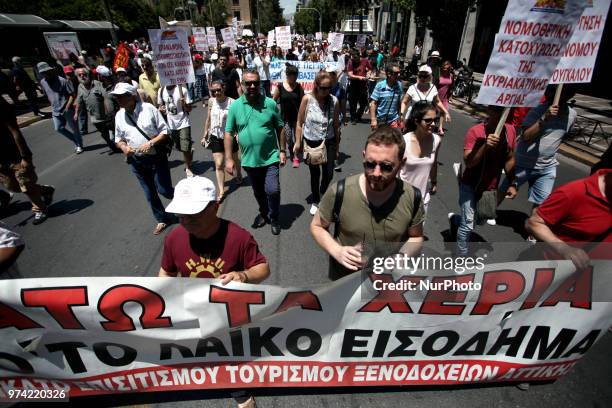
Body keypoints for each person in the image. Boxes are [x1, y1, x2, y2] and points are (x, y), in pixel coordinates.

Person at [159, 176, 267, 408]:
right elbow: (166, 272)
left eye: (193, 215)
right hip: (193, 314)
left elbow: (262, 268)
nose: (185, 221)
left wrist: (244, 276)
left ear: (215, 207)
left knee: (231, 353)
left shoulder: (238, 237)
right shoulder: (173, 239)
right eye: (180, 215)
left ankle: (239, 389)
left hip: (229, 317)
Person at [310, 126, 425, 280]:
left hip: (386, 283)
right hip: (343, 284)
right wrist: (337, 250)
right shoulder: (340, 191)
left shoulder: (413, 197)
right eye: (370, 164)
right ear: (364, 157)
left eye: (386, 167)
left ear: (402, 163)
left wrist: (402, 257)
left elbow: (416, 237)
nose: (376, 173)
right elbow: (317, 226)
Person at [500, 85, 578, 235]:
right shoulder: (537, 110)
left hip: (547, 165)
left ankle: (533, 231)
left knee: (541, 201)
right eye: (551, 92)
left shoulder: (572, 115)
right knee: (504, 190)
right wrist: (544, 119)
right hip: (524, 163)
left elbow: (564, 135)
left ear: (569, 95)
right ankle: (485, 214)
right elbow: (526, 136)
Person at [224, 69, 286, 235]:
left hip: (270, 157)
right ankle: (264, 213)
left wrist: (282, 151)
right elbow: (229, 133)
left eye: (256, 83)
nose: (252, 86)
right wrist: (229, 158)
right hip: (249, 161)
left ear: (260, 84)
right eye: (248, 83)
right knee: (258, 192)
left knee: (272, 190)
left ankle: (274, 217)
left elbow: (280, 128)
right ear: (242, 85)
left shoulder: (270, 104)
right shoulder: (235, 107)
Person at [449, 106, 517, 256]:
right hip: (470, 185)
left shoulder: (511, 131)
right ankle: (461, 256)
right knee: (468, 225)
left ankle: (455, 219)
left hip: (489, 189)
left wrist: (513, 182)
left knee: (478, 220)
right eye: (497, 110)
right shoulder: (476, 132)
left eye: (506, 111)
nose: (501, 114)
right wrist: (485, 146)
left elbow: (510, 158)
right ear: (489, 111)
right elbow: (469, 162)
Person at [112, 83, 174, 235]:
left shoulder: (148, 109)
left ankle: (186, 202)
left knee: (164, 190)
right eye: (116, 96)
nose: (118, 99)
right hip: (136, 161)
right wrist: (124, 148)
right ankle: (161, 218)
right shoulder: (119, 115)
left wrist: (151, 142)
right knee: (149, 193)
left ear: (132, 96)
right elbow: (118, 139)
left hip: (156, 157)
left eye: (122, 96)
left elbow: (165, 131)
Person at [525, 169, 611, 268]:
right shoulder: (574, 192)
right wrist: (564, 248)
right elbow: (533, 223)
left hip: (598, 272)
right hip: (552, 269)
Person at [0, 98, 55, 225]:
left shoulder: (2, 106)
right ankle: (45, 190)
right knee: (12, 187)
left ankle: (40, 209)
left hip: (14, 156)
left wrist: (25, 156)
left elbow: (15, 131)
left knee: (26, 185)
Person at [295, 72, 340, 216]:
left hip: (329, 141)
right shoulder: (307, 99)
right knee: (315, 174)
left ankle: (322, 191)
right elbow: (299, 123)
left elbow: (336, 126)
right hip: (312, 142)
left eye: (329, 88)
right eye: (323, 88)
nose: (326, 91)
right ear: (316, 86)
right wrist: (297, 142)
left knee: (329, 173)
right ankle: (315, 200)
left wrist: (337, 147)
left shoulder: (334, 101)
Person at [399, 101, 441, 214]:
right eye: (428, 120)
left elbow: (434, 163)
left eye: (435, 120)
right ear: (416, 121)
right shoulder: (404, 141)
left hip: (423, 199)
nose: (433, 124)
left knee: (417, 232)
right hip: (401, 198)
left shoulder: (436, 140)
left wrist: (434, 182)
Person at [203, 80, 242, 200]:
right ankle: (221, 191)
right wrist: (205, 134)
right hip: (215, 136)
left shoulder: (232, 102)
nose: (216, 93)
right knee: (219, 164)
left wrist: (238, 133)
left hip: (229, 136)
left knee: (235, 159)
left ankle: (239, 174)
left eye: (218, 90)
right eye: (213, 91)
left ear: (223, 88)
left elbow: (238, 120)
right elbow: (208, 118)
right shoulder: (211, 101)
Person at [37, 62, 83, 154]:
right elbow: (47, 94)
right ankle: (75, 140)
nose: (46, 74)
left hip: (67, 109)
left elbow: (72, 95)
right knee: (58, 128)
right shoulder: (43, 82)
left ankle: (79, 145)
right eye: (43, 73)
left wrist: (67, 106)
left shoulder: (62, 80)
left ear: (51, 70)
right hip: (55, 110)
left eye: (47, 71)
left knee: (75, 129)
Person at [75, 68, 121, 154]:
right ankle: (113, 148)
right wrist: (76, 113)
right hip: (94, 117)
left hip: (105, 115)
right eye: (80, 75)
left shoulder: (97, 84)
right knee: (104, 134)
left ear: (88, 75)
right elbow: (79, 100)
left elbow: (106, 97)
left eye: (84, 74)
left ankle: (124, 146)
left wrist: (110, 111)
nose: (82, 76)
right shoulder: (80, 87)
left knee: (115, 132)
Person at [157, 84, 194, 177]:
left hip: (184, 122)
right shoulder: (161, 91)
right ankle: (189, 152)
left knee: (185, 146)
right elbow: (160, 106)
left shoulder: (182, 90)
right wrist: (161, 110)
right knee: (178, 146)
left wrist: (184, 104)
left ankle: (188, 168)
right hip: (171, 124)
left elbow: (189, 109)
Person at [273, 64, 304, 168]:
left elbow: (303, 102)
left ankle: (295, 157)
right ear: (287, 75)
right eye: (292, 75)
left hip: (297, 118)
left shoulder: (299, 87)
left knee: (297, 138)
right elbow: (273, 102)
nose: (294, 77)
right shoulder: (280, 87)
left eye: (296, 75)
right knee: (288, 138)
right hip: (284, 118)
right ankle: (290, 148)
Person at [370, 63, 402, 129]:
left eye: (399, 72)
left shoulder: (399, 85)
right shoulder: (380, 86)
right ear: (389, 74)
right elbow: (373, 103)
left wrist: (400, 117)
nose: (398, 75)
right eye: (396, 73)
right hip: (380, 120)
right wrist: (373, 119)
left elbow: (399, 103)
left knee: (393, 138)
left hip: (393, 120)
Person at [347, 50, 372, 124]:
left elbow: (370, 69)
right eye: (353, 57)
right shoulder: (351, 62)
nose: (354, 59)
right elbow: (350, 74)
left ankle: (358, 116)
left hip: (363, 85)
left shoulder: (365, 61)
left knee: (363, 103)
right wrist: (359, 77)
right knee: (353, 103)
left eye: (355, 57)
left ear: (359, 56)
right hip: (354, 85)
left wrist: (368, 74)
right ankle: (353, 118)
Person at [64, 65, 89, 135]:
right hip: (71, 100)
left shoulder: (78, 79)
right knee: (74, 115)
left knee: (82, 113)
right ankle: (77, 129)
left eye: (70, 73)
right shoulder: (65, 82)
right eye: (67, 74)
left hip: (80, 98)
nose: (69, 75)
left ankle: (83, 129)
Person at [436, 60, 454, 135]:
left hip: (445, 96)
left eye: (447, 68)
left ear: (449, 68)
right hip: (436, 95)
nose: (445, 69)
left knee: (443, 111)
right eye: (444, 68)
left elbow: (451, 86)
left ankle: (440, 128)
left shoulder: (451, 76)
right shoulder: (439, 74)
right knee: (434, 111)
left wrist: (450, 96)